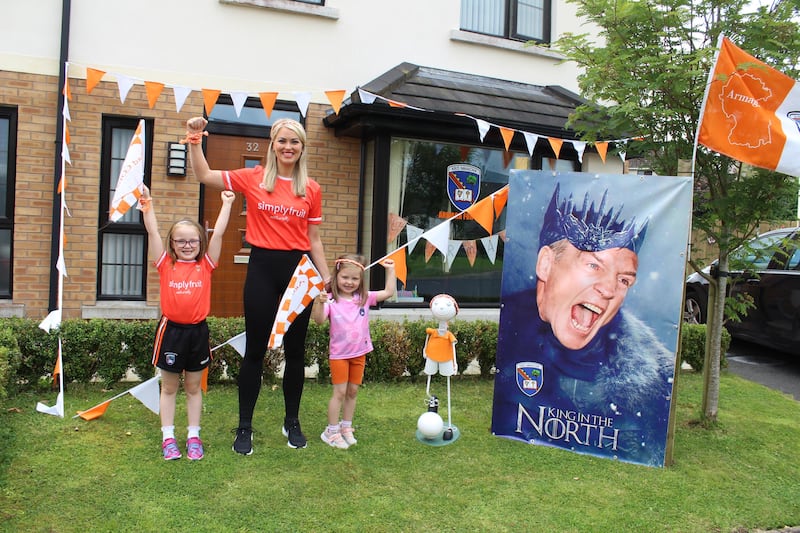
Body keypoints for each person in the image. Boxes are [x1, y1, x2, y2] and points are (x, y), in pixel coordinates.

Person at [493, 183, 674, 465]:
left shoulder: (652, 379)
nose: (609, 290)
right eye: (594, 266)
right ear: (545, 264)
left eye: (623, 280)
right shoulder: (511, 331)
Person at [184, 116, 331, 453]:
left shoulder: (311, 188)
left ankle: (291, 421)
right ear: (272, 144)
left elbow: (314, 239)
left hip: (299, 271)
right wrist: (194, 141)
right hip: (262, 266)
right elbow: (205, 176)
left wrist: (325, 281)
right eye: (282, 141)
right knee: (254, 350)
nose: (288, 147)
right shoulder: (252, 178)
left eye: (294, 142)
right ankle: (244, 427)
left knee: (296, 352)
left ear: (302, 147)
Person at [140, 185, 235, 461]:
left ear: (199, 242)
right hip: (171, 332)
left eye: (192, 241)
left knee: (193, 387)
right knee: (169, 387)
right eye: (181, 241)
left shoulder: (205, 264)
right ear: (172, 243)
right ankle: (168, 437)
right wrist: (147, 203)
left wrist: (227, 204)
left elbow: (218, 234)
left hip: (197, 333)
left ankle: (194, 436)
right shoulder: (164, 264)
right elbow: (153, 232)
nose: (187, 245)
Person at [311, 255, 396, 449]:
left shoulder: (363, 298)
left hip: (359, 353)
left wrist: (391, 270)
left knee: (353, 391)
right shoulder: (331, 301)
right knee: (339, 392)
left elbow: (389, 292)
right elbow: (318, 320)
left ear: (361, 280)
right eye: (345, 277)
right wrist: (319, 302)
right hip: (339, 355)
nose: (349, 282)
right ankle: (331, 431)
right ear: (336, 276)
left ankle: (346, 427)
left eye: (355, 279)